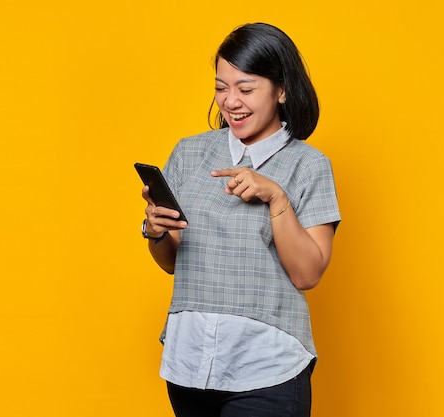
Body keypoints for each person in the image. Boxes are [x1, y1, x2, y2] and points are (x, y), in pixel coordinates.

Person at [140, 22, 341, 417]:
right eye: (221, 87)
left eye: (246, 89)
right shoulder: (189, 153)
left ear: (281, 90)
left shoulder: (309, 165)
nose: (230, 101)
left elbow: (307, 274)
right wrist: (156, 232)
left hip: (266, 366)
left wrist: (276, 197)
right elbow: (171, 263)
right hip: (189, 362)